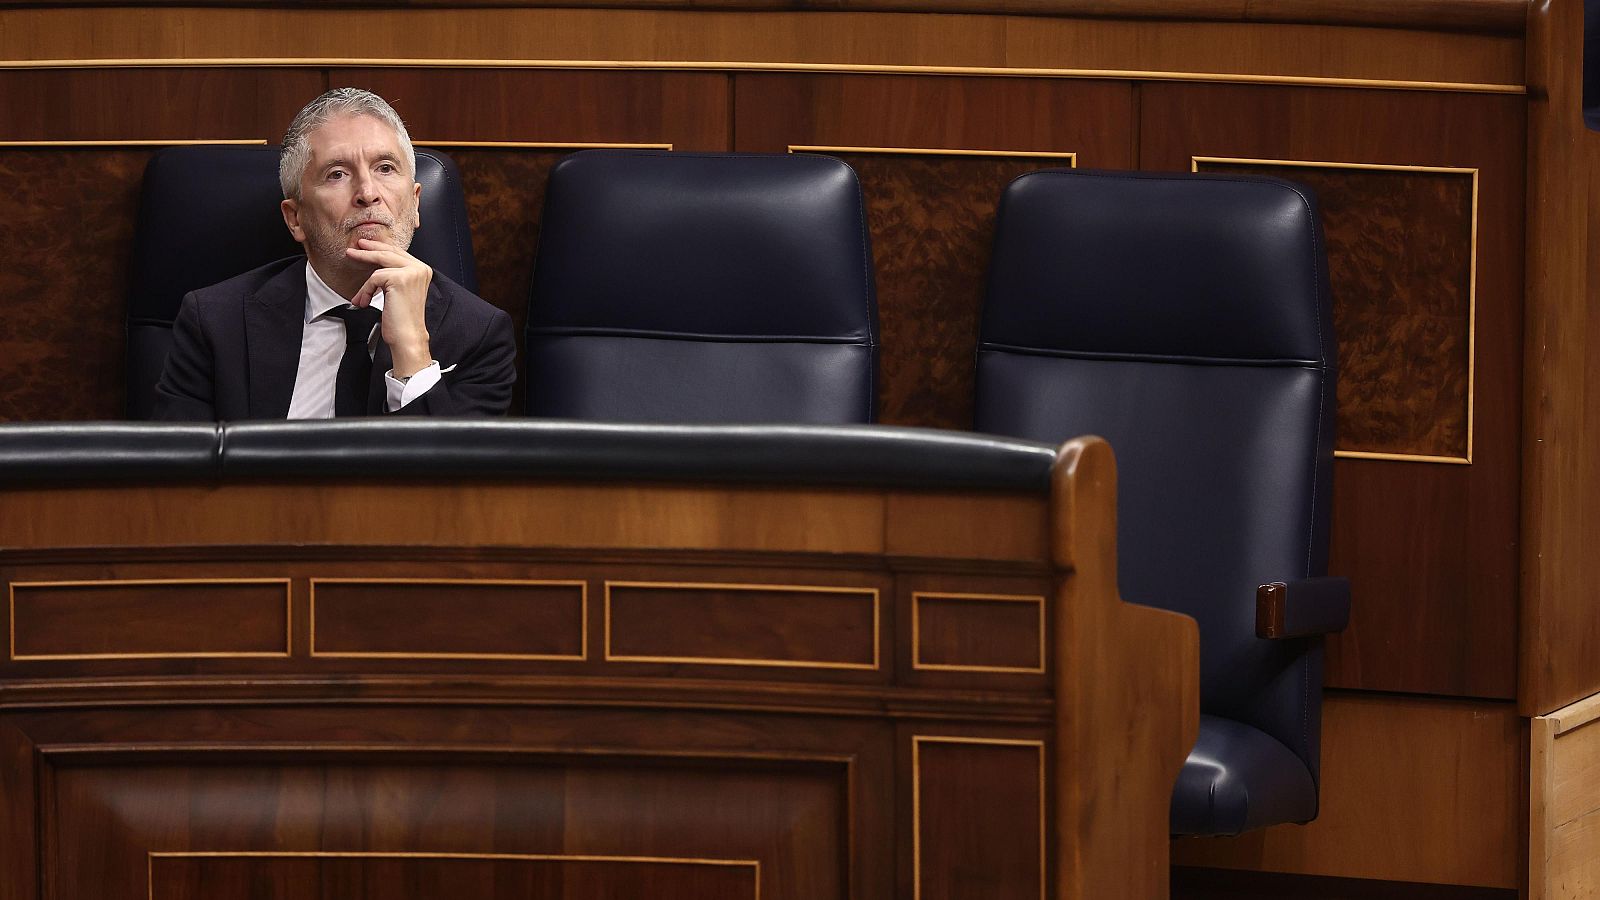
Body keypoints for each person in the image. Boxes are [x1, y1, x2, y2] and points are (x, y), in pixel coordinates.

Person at [152, 88, 516, 419]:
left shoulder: (478, 335)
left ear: (416, 203)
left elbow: (450, 472)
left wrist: (412, 348)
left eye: (385, 168)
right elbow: (181, 468)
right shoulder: (215, 323)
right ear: (295, 219)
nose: (368, 193)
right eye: (337, 174)